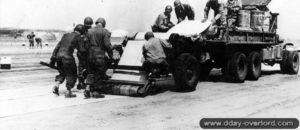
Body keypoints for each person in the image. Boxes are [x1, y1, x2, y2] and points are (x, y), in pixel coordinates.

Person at [84, 17, 114, 98]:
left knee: (90, 72)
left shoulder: (89, 31)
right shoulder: (105, 31)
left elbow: (86, 44)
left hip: (90, 55)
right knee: (99, 73)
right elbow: (107, 45)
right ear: (103, 24)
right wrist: (111, 55)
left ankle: (87, 88)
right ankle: (96, 91)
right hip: (99, 55)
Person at [50, 25, 84, 98]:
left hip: (58, 56)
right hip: (67, 57)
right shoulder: (78, 37)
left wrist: (53, 58)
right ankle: (68, 91)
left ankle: (56, 86)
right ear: (81, 32)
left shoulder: (65, 35)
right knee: (72, 73)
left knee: (62, 72)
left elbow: (57, 47)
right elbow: (81, 50)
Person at [72, 17, 94, 90]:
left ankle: (80, 82)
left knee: (81, 67)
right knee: (89, 67)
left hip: (80, 53)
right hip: (87, 52)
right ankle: (87, 83)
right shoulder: (90, 31)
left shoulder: (81, 29)